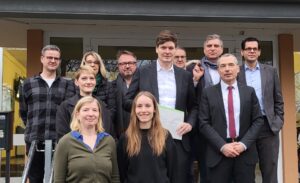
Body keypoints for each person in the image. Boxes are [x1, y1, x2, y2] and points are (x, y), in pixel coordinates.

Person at [124, 30, 198, 183]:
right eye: (163, 47)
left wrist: (190, 124)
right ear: (156, 49)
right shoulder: (143, 71)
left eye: (171, 48)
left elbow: (194, 106)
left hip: (178, 138)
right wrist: (146, 108)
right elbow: (127, 101)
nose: (167, 51)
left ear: (175, 49)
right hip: (149, 137)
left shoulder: (184, 75)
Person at [198, 53, 264, 183]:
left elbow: (258, 120)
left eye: (231, 65)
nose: (227, 69)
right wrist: (222, 146)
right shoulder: (208, 93)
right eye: (222, 66)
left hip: (244, 153)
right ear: (218, 70)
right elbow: (203, 123)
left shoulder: (249, 92)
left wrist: (244, 144)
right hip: (218, 153)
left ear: (238, 68)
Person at [19, 45, 75, 183]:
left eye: (56, 58)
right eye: (49, 57)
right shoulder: (28, 84)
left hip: (59, 141)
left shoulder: (68, 84)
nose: (53, 60)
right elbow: (24, 112)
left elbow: (70, 112)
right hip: (34, 140)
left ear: (59, 61)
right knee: (35, 178)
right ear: (42, 59)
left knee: (58, 178)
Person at [238, 37, 284, 183]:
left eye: (255, 49)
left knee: (269, 168)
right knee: (245, 170)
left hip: (267, 126)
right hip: (245, 126)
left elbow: (278, 99)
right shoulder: (236, 72)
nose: (251, 51)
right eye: (248, 49)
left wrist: (278, 122)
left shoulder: (270, 71)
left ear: (259, 52)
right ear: (242, 52)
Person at [53, 96, 120, 183]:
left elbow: (115, 177)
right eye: (86, 110)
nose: (91, 114)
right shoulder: (65, 142)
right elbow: (58, 180)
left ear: (99, 114)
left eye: (95, 110)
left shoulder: (108, 141)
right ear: (77, 114)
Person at [117, 91, 177, 183]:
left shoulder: (165, 136)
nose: (143, 110)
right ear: (134, 110)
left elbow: (172, 171)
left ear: (154, 109)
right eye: (139, 106)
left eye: (148, 106)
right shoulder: (125, 138)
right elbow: (122, 172)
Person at [56, 66, 113, 141]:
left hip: (98, 150)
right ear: (76, 82)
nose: (88, 82)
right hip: (74, 151)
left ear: (95, 81)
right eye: (84, 78)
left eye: (92, 78)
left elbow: (107, 133)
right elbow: (62, 136)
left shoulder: (103, 107)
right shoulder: (65, 107)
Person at [196, 34, 224, 183]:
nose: (212, 49)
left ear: (221, 49)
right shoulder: (194, 68)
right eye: (209, 46)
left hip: (226, 124)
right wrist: (195, 80)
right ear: (204, 49)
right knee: (206, 167)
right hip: (204, 125)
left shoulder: (230, 68)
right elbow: (188, 95)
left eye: (216, 46)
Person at [81, 51, 116, 124]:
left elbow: (112, 111)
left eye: (96, 62)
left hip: (102, 126)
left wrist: (97, 123)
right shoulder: (77, 84)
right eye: (89, 62)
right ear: (84, 64)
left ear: (99, 65)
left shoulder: (108, 86)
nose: (93, 64)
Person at [113, 50, 137, 137]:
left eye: (130, 63)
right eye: (123, 63)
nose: (127, 66)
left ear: (136, 64)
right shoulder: (111, 87)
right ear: (118, 66)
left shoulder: (144, 86)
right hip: (118, 136)